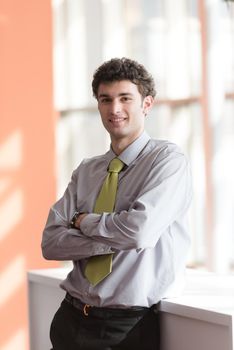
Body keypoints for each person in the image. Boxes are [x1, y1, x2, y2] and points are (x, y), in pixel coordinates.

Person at [42, 57, 192, 350]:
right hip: (69, 317)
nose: (115, 109)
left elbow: (140, 232)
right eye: (105, 99)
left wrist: (84, 223)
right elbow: (51, 243)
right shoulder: (87, 170)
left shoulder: (167, 161)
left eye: (125, 98)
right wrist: (117, 234)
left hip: (124, 328)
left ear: (147, 104)